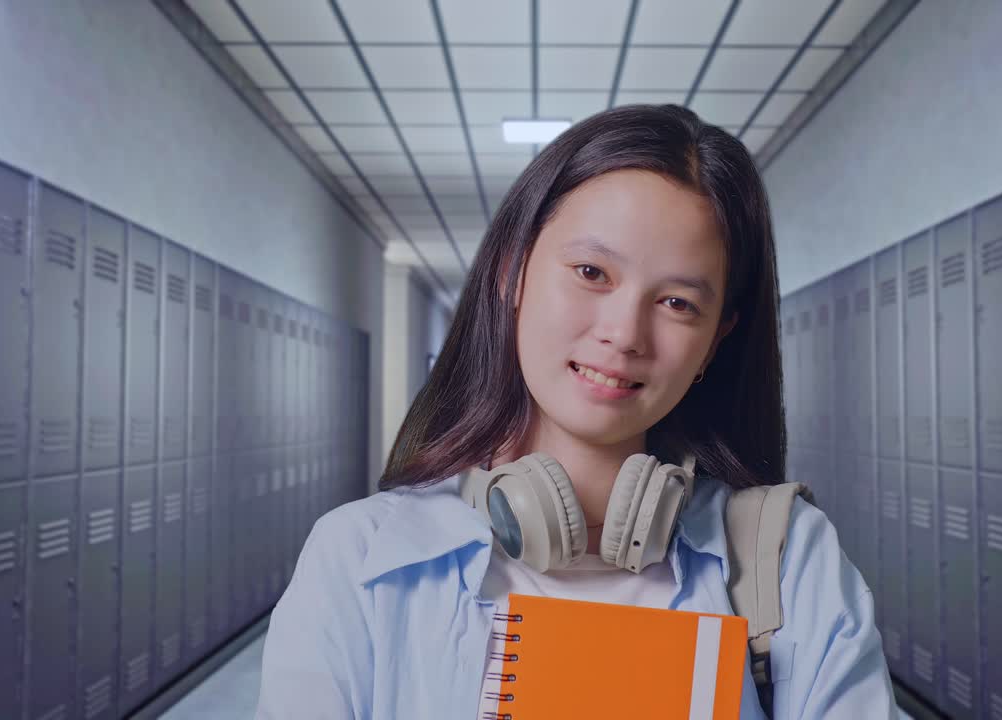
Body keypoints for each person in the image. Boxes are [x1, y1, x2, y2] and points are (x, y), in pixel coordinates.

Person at [255, 104, 897, 719]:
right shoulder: (359, 556)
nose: (624, 334)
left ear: (715, 340)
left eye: (677, 303)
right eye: (592, 271)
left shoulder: (784, 559)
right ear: (512, 272)